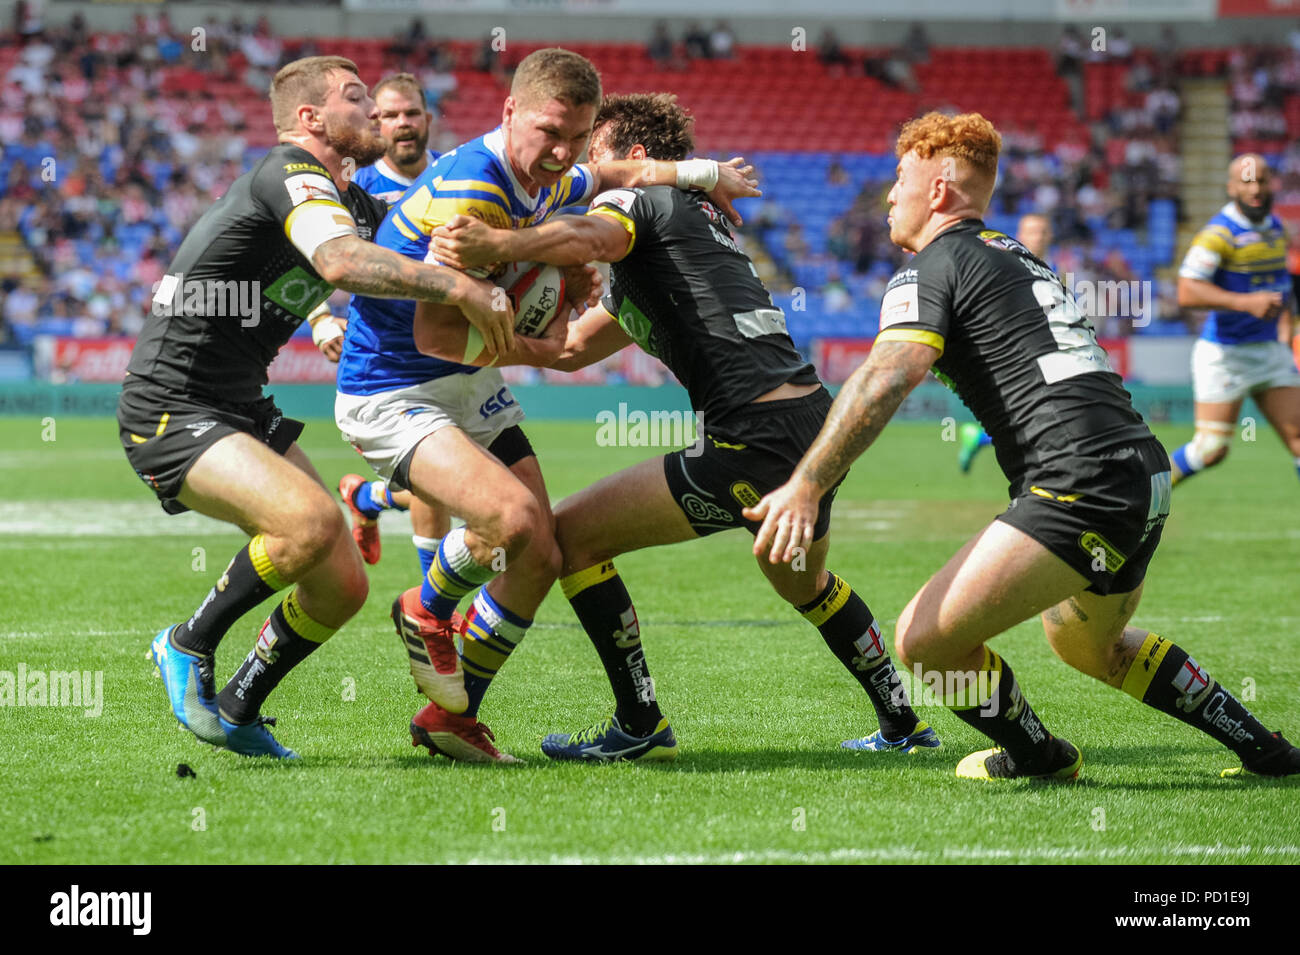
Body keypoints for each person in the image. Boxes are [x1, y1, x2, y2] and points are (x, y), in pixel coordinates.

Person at [746, 111, 1300, 780]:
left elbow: (891, 372)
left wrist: (806, 483)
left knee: (923, 642)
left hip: (1079, 481)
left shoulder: (932, 266)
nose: (890, 194)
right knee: (1085, 645)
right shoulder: (1012, 253)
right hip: (1142, 472)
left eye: (900, 178)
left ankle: (1040, 756)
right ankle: (1265, 750)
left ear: (941, 188)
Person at [429, 92, 935, 761]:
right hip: (810, 422)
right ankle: (904, 726)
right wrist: (468, 342)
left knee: (570, 537)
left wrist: (500, 242)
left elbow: (591, 235)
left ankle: (640, 723)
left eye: (598, 156)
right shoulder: (686, 221)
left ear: (637, 160)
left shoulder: (638, 202)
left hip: (752, 435)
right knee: (802, 582)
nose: (586, 171)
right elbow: (575, 347)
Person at [335, 50, 759, 763]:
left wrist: (705, 174)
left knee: (540, 553)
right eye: (548, 132)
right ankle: (427, 606)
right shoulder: (474, 190)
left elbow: (622, 171)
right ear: (508, 113)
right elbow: (437, 335)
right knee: (511, 519)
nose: (562, 153)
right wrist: (548, 335)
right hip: (394, 387)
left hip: (466, 388)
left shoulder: (552, 172)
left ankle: (450, 719)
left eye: (577, 135)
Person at [119, 56, 506, 759]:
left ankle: (239, 704)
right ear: (310, 119)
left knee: (341, 585)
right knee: (311, 523)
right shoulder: (287, 171)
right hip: (171, 403)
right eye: (357, 99)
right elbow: (340, 263)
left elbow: (421, 241)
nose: (377, 113)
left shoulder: (354, 203)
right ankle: (186, 642)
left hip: (240, 404)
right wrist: (461, 292)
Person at [305, 72, 452, 575]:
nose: (402, 124)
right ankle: (434, 605)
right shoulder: (357, 183)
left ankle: (368, 498)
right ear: (375, 122)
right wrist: (321, 317)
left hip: (452, 345)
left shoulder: (454, 176)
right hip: (384, 355)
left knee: (458, 480)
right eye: (389, 115)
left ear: (427, 119)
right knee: (446, 478)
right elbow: (308, 253)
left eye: (411, 113)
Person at [1168, 154, 1300, 486]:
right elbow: (1186, 291)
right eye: (1246, 182)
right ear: (1231, 187)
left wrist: (1285, 326)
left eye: (1261, 180)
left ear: (1272, 184)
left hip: (1270, 352)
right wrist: (1245, 302)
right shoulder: (1218, 234)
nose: (1255, 189)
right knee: (1210, 449)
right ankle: (1141, 499)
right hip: (1227, 355)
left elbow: (1278, 282)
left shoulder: (1277, 228)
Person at [958, 212, 1054, 473]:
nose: (1039, 237)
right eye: (1033, 231)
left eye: (1043, 231)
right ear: (1020, 236)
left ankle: (978, 438)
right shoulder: (1005, 264)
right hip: (1016, 353)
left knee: (1040, 418)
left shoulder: (1053, 270)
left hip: (1045, 353)